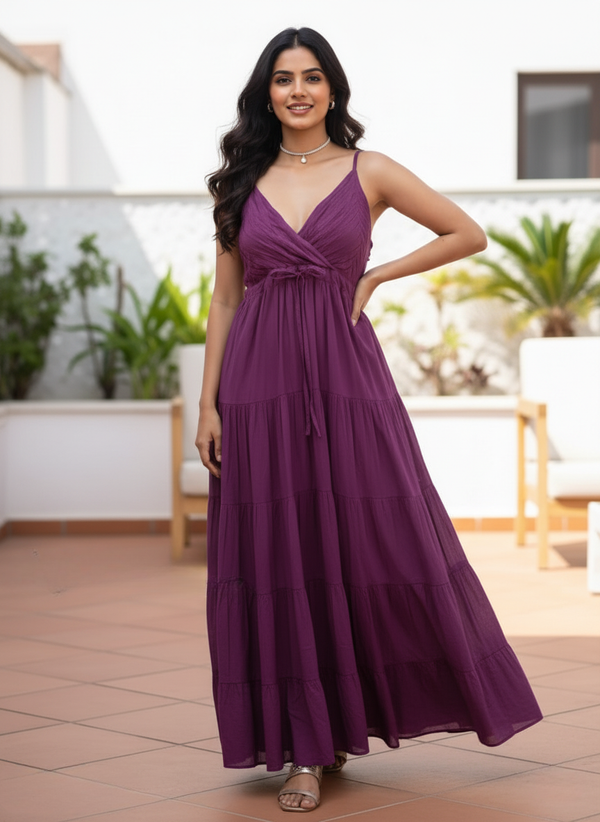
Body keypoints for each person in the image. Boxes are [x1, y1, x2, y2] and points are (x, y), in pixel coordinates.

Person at [196, 26, 542, 814]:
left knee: (372, 544)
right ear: (266, 93)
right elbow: (225, 298)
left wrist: (380, 272)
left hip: (346, 380)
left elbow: (467, 232)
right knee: (278, 557)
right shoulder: (240, 183)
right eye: (283, 78)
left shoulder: (371, 170)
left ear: (332, 89)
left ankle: (347, 723)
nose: (298, 91)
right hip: (257, 386)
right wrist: (209, 404)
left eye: (312, 77)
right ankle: (305, 748)